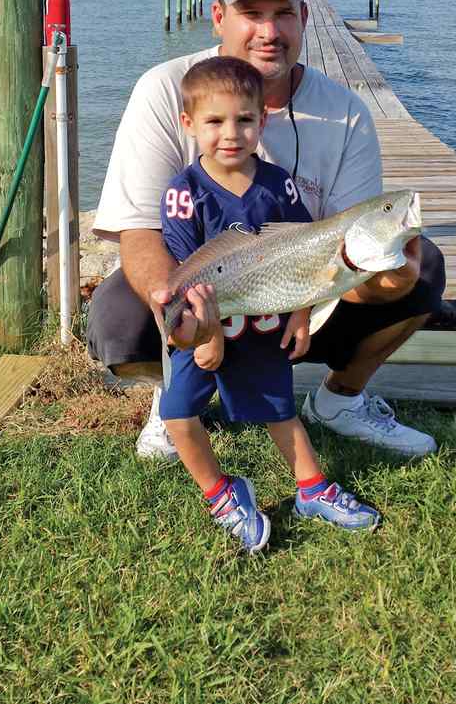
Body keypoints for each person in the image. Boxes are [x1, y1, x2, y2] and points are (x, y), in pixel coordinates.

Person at [88, 0, 445, 464]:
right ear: (218, 17)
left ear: (305, 17)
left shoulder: (347, 113)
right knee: (118, 316)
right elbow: (139, 234)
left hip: (301, 296)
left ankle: (341, 400)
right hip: (207, 289)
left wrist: (386, 281)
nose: (269, 31)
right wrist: (184, 315)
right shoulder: (164, 90)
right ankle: (177, 387)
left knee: (424, 269)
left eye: (283, 14)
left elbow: (351, 249)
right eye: (251, 13)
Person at [158, 55, 380, 551]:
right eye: (214, 121)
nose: (230, 133)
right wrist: (205, 337)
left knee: (279, 410)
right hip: (200, 329)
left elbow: (306, 255)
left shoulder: (279, 185)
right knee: (177, 415)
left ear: (262, 121)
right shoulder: (183, 193)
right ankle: (220, 492)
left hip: (260, 327)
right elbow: (184, 277)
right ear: (188, 123)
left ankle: (312, 488)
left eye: (244, 119)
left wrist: (301, 311)